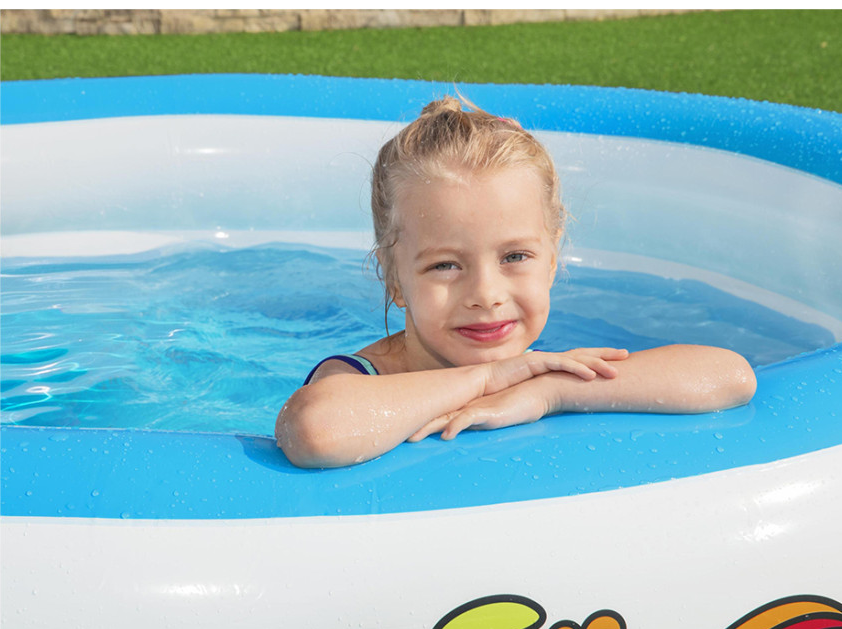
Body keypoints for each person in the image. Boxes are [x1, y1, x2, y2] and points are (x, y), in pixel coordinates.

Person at [275, 95, 756, 468]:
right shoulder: (356, 379)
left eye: (515, 257)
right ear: (393, 277)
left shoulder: (541, 373)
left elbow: (729, 375)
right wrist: (486, 379)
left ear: (552, 260)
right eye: (445, 265)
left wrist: (550, 392)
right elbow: (317, 431)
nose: (486, 295)